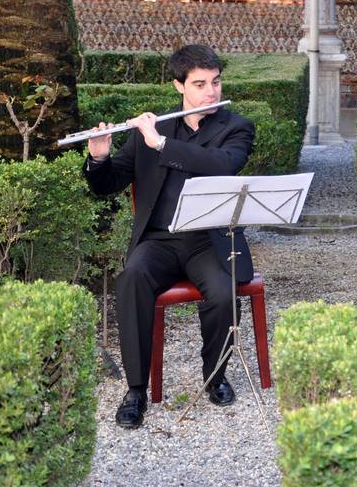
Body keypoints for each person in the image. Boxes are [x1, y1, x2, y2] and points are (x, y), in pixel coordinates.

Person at [84, 44, 255, 429]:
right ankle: (135, 390)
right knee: (132, 277)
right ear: (179, 86)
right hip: (158, 241)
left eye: (215, 82)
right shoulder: (153, 127)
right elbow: (107, 184)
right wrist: (99, 158)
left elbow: (223, 165)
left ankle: (215, 376)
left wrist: (161, 145)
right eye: (200, 84)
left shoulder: (236, 128)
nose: (211, 91)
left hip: (207, 240)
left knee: (223, 289)